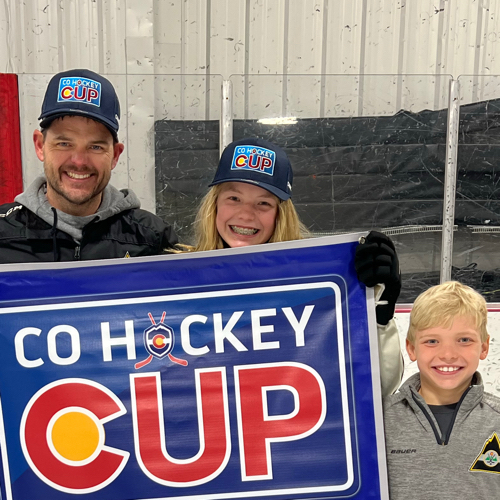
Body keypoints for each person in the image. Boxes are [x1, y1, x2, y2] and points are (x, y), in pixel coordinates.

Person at [177, 136, 403, 396]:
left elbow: (380, 387)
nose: (246, 214)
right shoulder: (177, 280)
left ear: (280, 214)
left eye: (263, 203)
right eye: (234, 198)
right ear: (215, 204)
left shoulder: (321, 284)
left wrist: (379, 316)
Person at [0, 68, 177, 263]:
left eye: (95, 147)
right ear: (40, 146)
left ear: (115, 155)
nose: (79, 161)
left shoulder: (152, 240)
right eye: (64, 144)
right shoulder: (3, 236)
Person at [384, 281, 500, 500]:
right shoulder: (379, 421)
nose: (448, 354)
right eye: (432, 341)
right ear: (411, 348)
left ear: (484, 347)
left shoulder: (497, 419)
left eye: (464, 340)